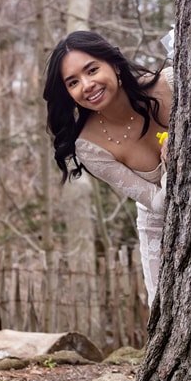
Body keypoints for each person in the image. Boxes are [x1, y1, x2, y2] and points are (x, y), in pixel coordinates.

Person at [43, 30, 172, 305]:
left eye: (92, 70)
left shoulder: (168, 84)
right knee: (167, 308)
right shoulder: (89, 147)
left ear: (113, 64)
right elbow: (157, 203)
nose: (87, 85)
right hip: (160, 225)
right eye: (73, 82)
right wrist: (175, 165)